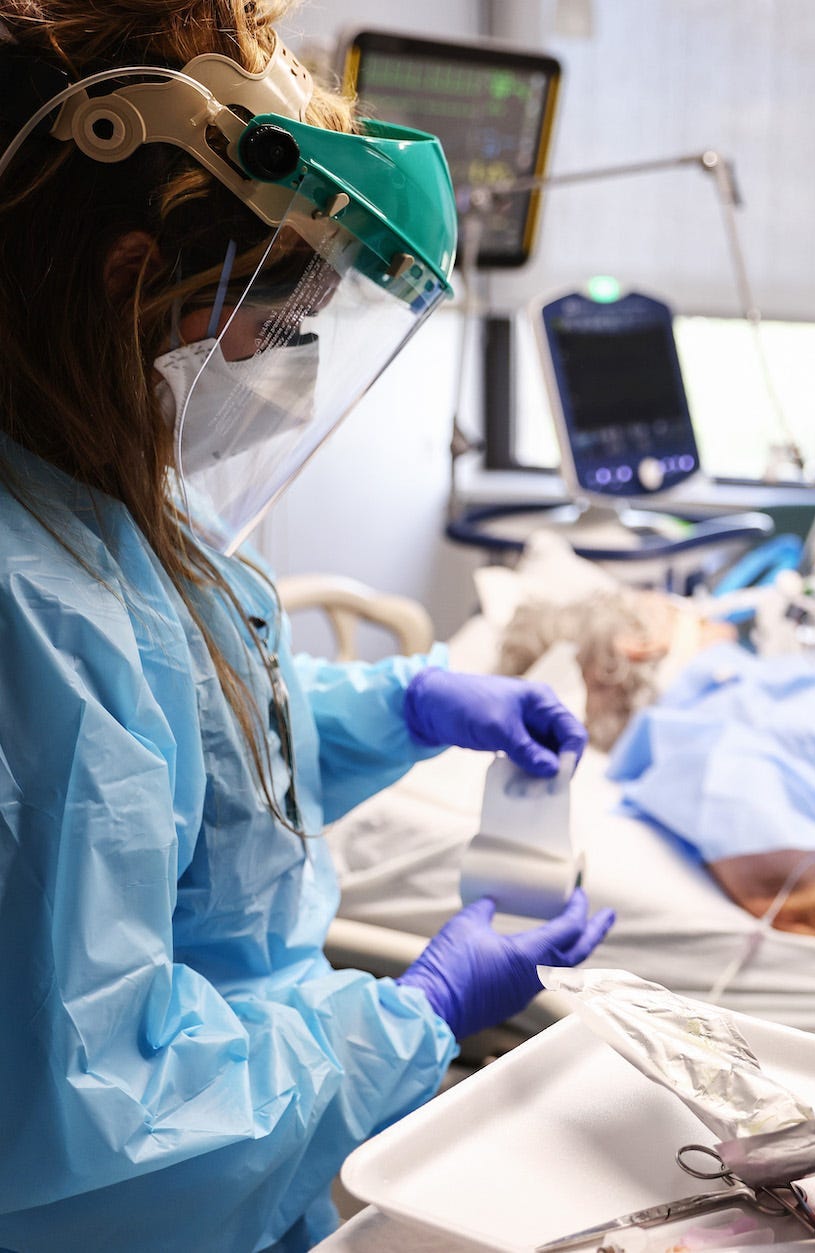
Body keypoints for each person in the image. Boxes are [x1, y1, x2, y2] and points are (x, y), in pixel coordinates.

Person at [0, 3, 613, 1249]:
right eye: (282, 322)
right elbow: (97, 1134)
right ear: (135, 279)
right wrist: (419, 1012)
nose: (293, 365)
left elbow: (183, 764)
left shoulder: (99, 494)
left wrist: (402, 705)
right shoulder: (31, 607)